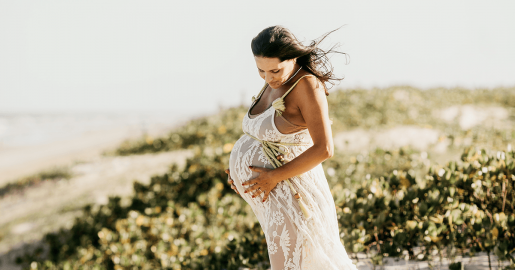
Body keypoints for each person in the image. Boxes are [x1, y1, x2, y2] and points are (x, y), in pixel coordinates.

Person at [225, 26, 357, 270]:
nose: (268, 78)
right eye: (261, 71)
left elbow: (325, 148)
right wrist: (240, 174)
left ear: (293, 57)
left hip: (295, 195)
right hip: (273, 198)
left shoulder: (307, 86)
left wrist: (273, 176)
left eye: (275, 70)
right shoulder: (273, 80)